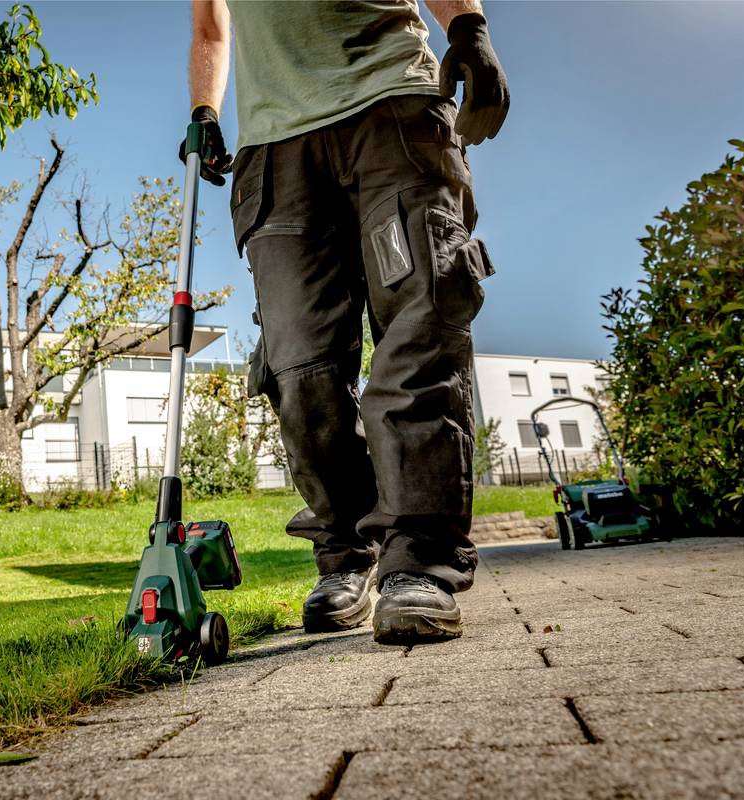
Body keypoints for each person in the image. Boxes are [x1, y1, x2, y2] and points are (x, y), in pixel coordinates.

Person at [184, 0, 509, 643]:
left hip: (392, 108)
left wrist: (469, 30)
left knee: (420, 322)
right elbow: (211, 26)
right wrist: (205, 109)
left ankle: (419, 561)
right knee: (297, 365)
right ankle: (346, 553)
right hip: (274, 148)